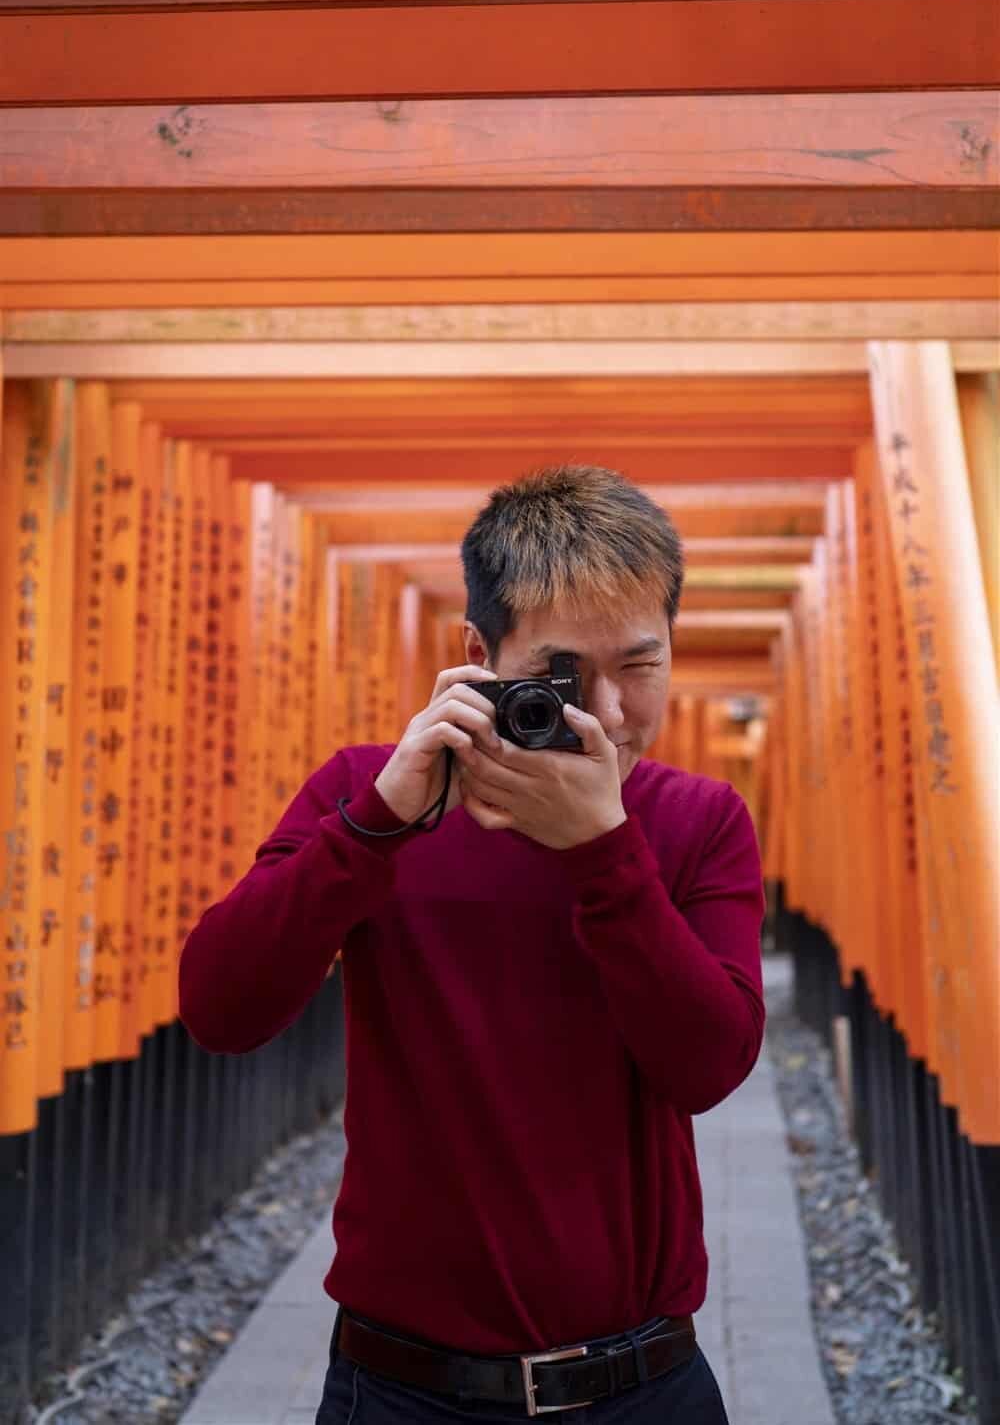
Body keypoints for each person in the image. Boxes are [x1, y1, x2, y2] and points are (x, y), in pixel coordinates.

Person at [179, 465, 765, 1423]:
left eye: (641, 665)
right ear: (477, 656)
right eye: (562, 675)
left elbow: (710, 1064)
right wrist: (376, 823)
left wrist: (603, 855)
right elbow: (220, 1008)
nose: (608, 714)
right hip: (401, 1385)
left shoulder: (697, 818)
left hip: (641, 1380)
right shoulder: (368, 792)